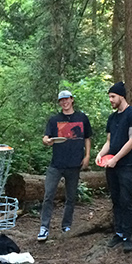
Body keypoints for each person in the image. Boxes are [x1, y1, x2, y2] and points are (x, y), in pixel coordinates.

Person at [37, 90, 92, 241]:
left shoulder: (82, 118)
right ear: (59, 103)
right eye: (61, 100)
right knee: (48, 195)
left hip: (75, 164)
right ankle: (44, 227)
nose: (64, 102)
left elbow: (87, 138)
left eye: (67, 99)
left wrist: (87, 156)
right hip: (56, 164)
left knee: (71, 197)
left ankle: (66, 226)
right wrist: (46, 141)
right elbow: (46, 137)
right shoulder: (54, 120)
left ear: (72, 100)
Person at [96, 81, 132, 253]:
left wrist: (116, 159)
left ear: (121, 96)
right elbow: (109, 141)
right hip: (111, 164)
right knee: (115, 199)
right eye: (109, 97)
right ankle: (119, 231)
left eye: (113, 96)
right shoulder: (112, 118)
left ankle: (128, 236)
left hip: (127, 165)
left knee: (126, 200)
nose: (111, 100)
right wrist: (101, 154)